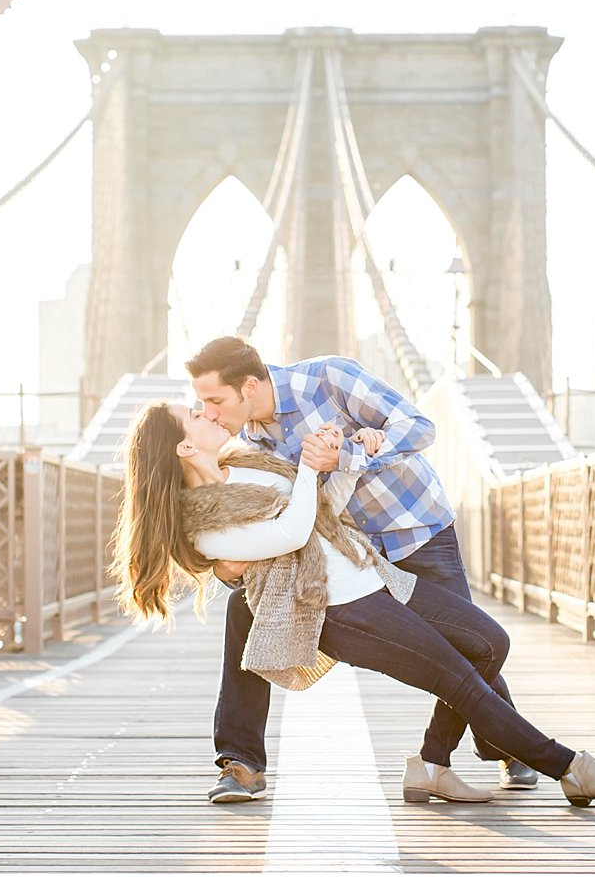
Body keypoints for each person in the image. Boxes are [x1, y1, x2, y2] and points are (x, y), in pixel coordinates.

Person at [108, 400, 595, 810]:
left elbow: (322, 510)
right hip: (339, 609)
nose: (207, 414)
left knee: (490, 644)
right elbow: (293, 531)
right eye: (195, 416)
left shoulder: (246, 465)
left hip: (376, 575)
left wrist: (346, 453)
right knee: (459, 679)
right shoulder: (204, 530)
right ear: (184, 447)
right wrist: (307, 468)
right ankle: (572, 768)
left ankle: (432, 764)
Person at [185, 336, 537, 804]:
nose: (206, 412)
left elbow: (419, 427)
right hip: (351, 553)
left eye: (214, 400)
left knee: (469, 641)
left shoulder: (329, 378)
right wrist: (229, 568)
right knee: (242, 609)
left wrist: (352, 453)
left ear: (249, 386)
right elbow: (258, 518)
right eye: (200, 404)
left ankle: (505, 744)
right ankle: (242, 762)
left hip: (416, 528)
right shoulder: (247, 442)